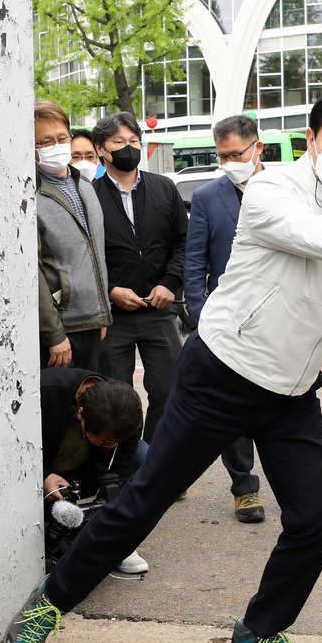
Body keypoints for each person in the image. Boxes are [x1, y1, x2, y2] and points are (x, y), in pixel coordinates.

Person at [4, 81, 322, 643]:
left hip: (291, 391)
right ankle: (49, 603)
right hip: (221, 375)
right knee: (144, 502)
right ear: (311, 141)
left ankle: (258, 634)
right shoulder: (271, 189)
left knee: (317, 519)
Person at [184, 114, 266, 524]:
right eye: (223, 156)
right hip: (226, 320)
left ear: (257, 148)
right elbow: (195, 259)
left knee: (278, 403)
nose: (231, 161)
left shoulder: (285, 190)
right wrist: (200, 315)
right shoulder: (206, 197)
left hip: (277, 317)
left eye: (237, 153)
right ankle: (244, 487)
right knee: (231, 406)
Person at [92, 112, 188, 443]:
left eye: (134, 141)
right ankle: (126, 466)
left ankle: (155, 465)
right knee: (116, 401)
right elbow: (86, 256)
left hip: (159, 311)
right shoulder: (89, 196)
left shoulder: (164, 188)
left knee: (169, 391)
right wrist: (110, 290)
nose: (128, 147)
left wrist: (169, 283)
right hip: (113, 317)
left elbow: (182, 242)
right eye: (119, 142)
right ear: (101, 149)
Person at [41, 368, 148, 573]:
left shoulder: (127, 410)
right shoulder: (46, 392)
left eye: (117, 441)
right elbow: (14, 448)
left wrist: (108, 523)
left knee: (143, 454)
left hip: (84, 472)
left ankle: (117, 541)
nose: (113, 446)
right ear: (81, 413)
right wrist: (44, 476)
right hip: (40, 472)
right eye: (107, 441)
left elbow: (121, 469)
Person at [35, 101, 111, 370]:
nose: (57, 146)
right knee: (60, 406)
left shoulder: (84, 184)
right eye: (45, 142)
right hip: (60, 329)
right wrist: (53, 334)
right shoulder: (29, 196)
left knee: (88, 404)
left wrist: (101, 314)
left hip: (92, 321)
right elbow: (34, 273)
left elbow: (95, 254)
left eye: (62, 138)